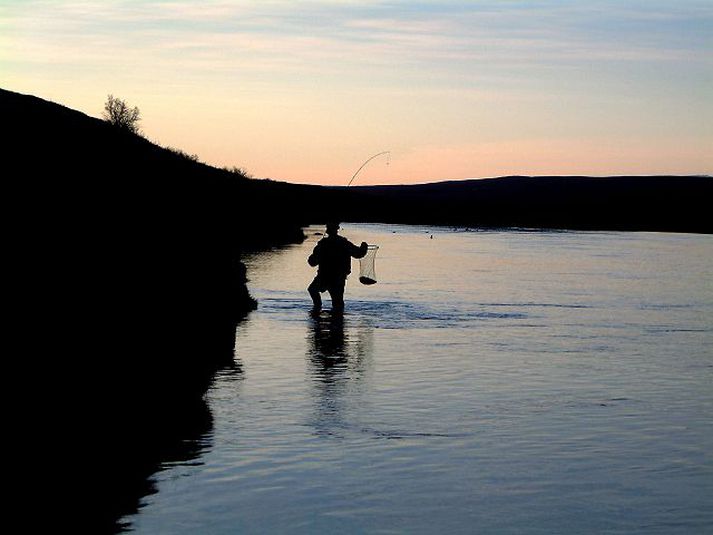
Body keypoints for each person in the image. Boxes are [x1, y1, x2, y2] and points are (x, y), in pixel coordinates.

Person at [308, 222, 368, 313]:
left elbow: (312, 262)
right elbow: (358, 254)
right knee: (338, 302)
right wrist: (364, 247)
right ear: (337, 230)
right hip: (338, 278)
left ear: (327, 230)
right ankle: (337, 322)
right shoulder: (343, 243)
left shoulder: (322, 244)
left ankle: (317, 309)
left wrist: (313, 258)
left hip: (324, 277)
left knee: (312, 290)